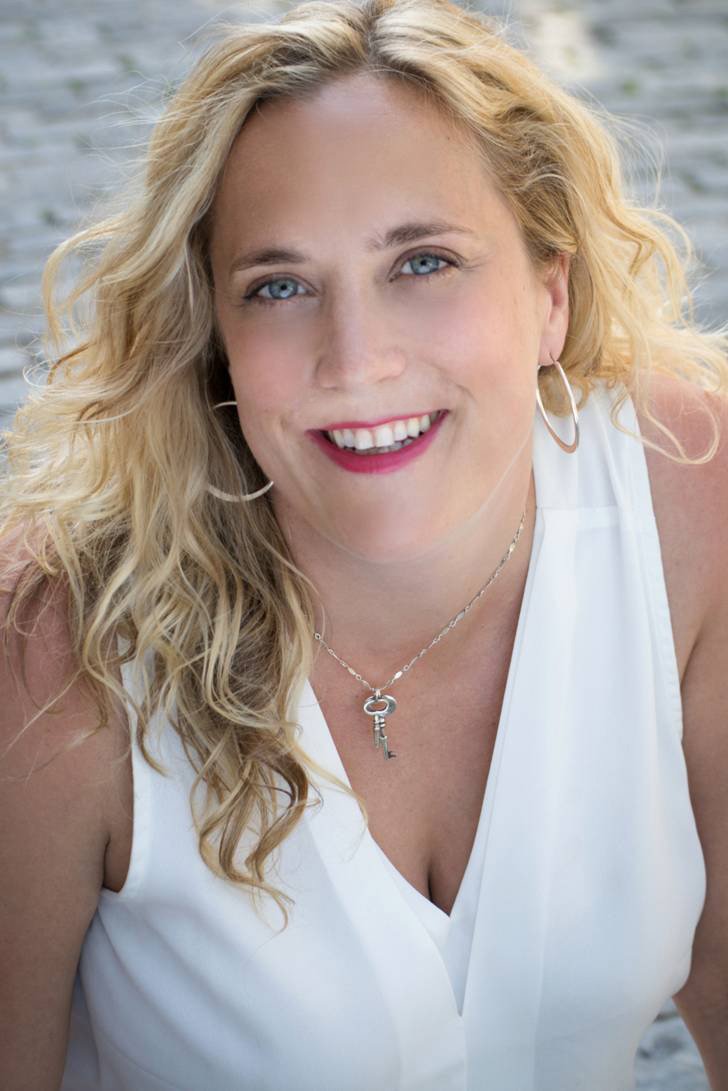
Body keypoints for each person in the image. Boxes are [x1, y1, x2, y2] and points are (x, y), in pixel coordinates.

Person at [1, 0, 727, 1087]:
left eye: (422, 262)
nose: (355, 358)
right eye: (279, 286)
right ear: (217, 342)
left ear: (548, 294)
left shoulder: (682, 499)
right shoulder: (63, 647)